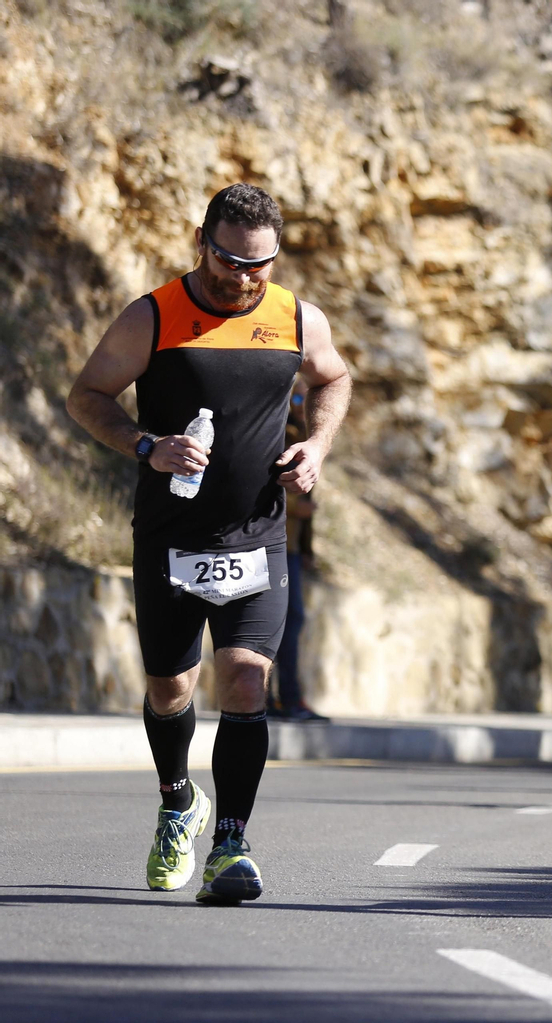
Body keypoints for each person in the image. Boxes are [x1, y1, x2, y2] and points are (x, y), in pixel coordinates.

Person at [66, 184, 351, 904]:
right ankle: (176, 802)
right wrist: (143, 444)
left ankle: (230, 843)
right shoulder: (154, 315)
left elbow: (335, 377)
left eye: (259, 264)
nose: (243, 276)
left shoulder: (294, 317)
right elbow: (87, 396)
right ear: (203, 241)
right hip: (170, 538)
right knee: (170, 691)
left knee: (247, 681)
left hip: (257, 535)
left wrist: (315, 445)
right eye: (228, 259)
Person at [270, 378, 328, 722]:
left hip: (291, 545)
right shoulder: (281, 434)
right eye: (294, 397)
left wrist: (308, 547)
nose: (300, 403)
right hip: (273, 541)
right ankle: (279, 700)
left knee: (292, 621)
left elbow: (309, 498)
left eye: (305, 398)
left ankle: (286, 698)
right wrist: (295, 510)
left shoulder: (307, 438)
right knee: (281, 623)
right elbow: (265, 488)